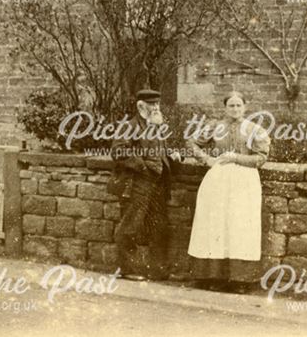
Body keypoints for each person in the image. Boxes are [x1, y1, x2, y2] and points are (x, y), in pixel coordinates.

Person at [186, 91, 270, 292]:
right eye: (231, 105)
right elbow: (191, 143)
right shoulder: (215, 127)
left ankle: (240, 280)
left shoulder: (254, 130)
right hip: (218, 181)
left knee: (240, 227)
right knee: (215, 226)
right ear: (225, 107)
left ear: (245, 107)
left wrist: (236, 158)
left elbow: (261, 158)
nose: (235, 109)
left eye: (238, 105)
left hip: (245, 183)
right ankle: (212, 276)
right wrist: (207, 160)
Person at [107, 88, 180, 281]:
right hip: (136, 182)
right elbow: (119, 151)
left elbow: (157, 150)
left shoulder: (157, 125)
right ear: (141, 106)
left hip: (158, 184)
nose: (156, 107)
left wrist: (170, 155)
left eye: (157, 104)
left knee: (159, 226)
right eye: (151, 104)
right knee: (130, 224)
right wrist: (144, 167)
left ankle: (158, 270)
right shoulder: (129, 126)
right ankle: (128, 269)